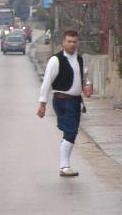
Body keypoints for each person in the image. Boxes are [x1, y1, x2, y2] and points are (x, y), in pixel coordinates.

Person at [37, 30, 92, 177]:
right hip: (62, 100)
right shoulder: (56, 60)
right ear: (63, 42)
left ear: (78, 42)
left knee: (71, 132)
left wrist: (87, 85)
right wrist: (42, 103)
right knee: (71, 131)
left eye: (75, 42)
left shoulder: (80, 59)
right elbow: (47, 82)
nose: (72, 44)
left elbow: (85, 75)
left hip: (75, 101)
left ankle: (65, 165)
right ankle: (64, 167)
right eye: (69, 41)